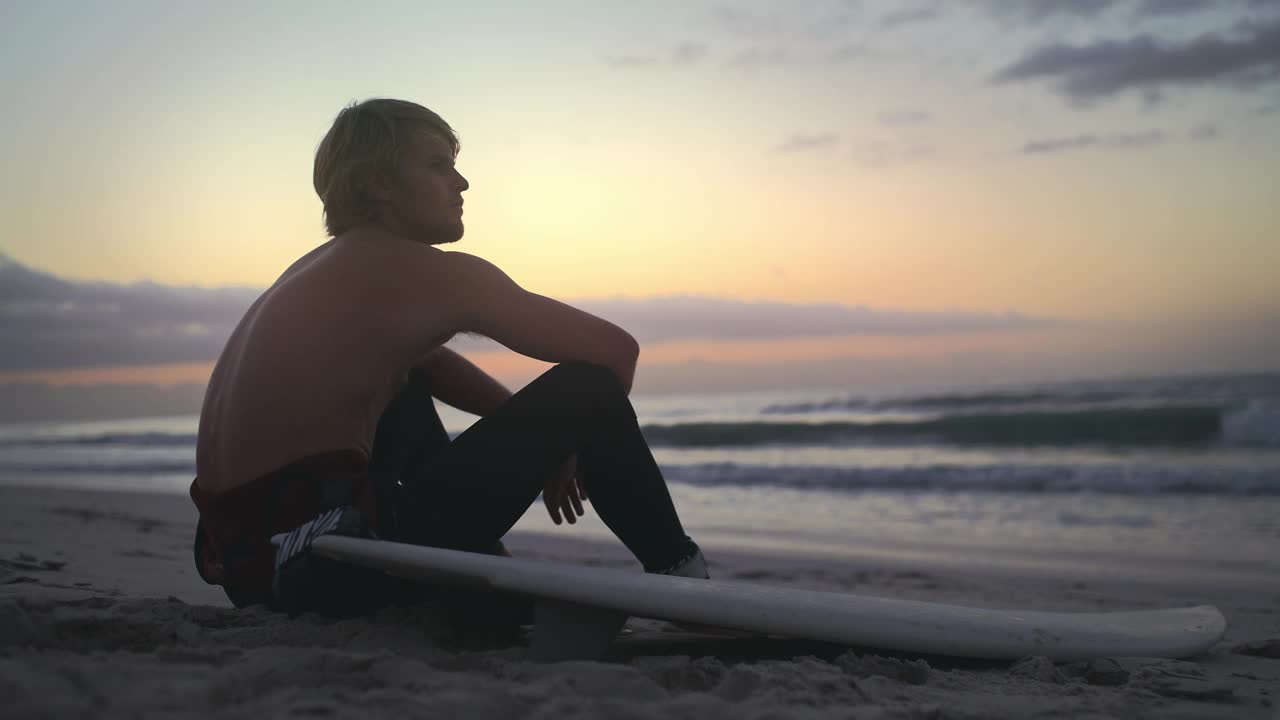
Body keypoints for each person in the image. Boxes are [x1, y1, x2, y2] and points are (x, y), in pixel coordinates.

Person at [190, 98, 707, 616]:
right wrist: (573, 437)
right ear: (380, 185)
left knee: (408, 392)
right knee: (588, 389)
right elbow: (617, 351)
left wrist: (551, 447)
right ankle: (682, 575)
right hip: (325, 564)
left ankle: (481, 564)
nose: (461, 184)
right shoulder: (432, 272)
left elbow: (430, 364)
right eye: (439, 165)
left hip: (253, 563)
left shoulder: (318, 272)